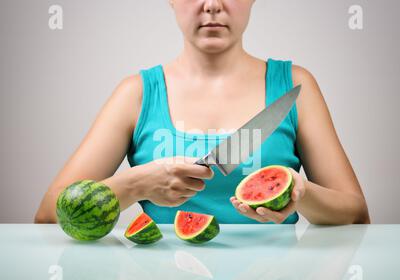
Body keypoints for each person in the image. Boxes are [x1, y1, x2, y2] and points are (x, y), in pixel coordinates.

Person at [35, 0, 370, 225]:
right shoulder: (136, 93)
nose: (212, 5)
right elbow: (50, 216)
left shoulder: (295, 85)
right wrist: (134, 185)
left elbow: (356, 215)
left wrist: (302, 194)